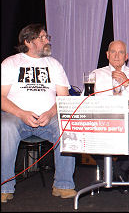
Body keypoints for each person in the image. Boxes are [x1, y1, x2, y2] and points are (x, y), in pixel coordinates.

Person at [1, 24, 76, 203]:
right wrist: (21, 113)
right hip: (16, 118)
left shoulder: (54, 64)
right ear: (28, 41)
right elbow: (2, 97)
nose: (47, 41)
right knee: (5, 127)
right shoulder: (10, 63)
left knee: (66, 125)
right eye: (41, 38)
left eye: (47, 37)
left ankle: (63, 185)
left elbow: (64, 97)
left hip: (48, 119)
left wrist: (50, 113)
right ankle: (5, 187)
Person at [88, 40, 129, 193]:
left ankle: (119, 171)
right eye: (113, 51)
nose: (117, 55)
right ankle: (118, 175)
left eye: (121, 52)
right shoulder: (96, 74)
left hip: (128, 114)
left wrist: (126, 84)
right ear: (107, 55)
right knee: (87, 135)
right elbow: (87, 98)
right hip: (103, 115)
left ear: (126, 56)